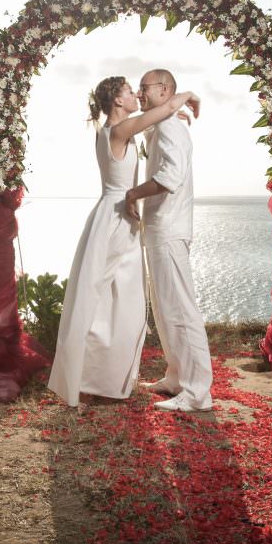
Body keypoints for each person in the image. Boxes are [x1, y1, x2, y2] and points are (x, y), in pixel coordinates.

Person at [48, 76, 200, 407]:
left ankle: (99, 380)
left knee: (114, 302)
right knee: (113, 302)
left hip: (117, 216)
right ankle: (96, 382)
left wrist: (173, 117)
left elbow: (157, 120)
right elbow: (167, 105)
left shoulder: (118, 130)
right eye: (130, 92)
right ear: (118, 101)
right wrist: (185, 97)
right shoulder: (119, 131)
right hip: (117, 217)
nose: (136, 95)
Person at [125, 69, 214, 413]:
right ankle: (176, 376)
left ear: (163, 89)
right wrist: (179, 99)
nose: (139, 92)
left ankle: (197, 392)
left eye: (144, 87)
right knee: (164, 308)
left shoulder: (170, 127)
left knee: (180, 309)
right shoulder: (161, 122)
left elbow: (169, 177)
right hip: (159, 227)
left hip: (170, 227)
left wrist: (133, 192)